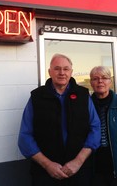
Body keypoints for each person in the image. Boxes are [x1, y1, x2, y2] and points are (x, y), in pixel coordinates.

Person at [18, 53, 101, 186]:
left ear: (71, 72)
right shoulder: (36, 97)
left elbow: (95, 129)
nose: (62, 72)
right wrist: (47, 165)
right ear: (49, 72)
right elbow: (25, 137)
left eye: (66, 69)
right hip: (44, 174)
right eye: (57, 68)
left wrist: (78, 161)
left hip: (80, 172)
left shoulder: (83, 96)